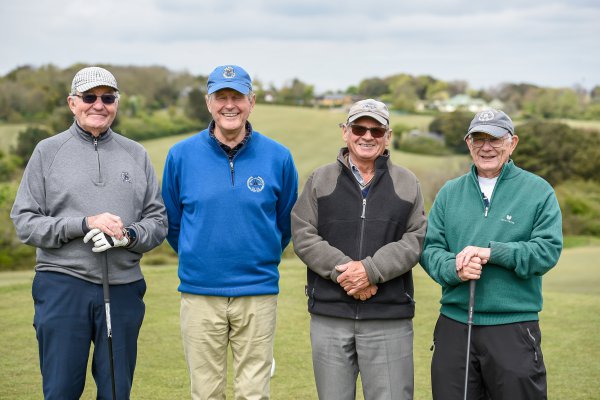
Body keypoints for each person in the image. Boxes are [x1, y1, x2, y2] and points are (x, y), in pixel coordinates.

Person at [11, 66, 168, 399]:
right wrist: (83, 224)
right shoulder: (47, 152)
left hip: (123, 289)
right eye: (89, 97)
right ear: (72, 103)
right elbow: (25, 221)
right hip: (62, 285)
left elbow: (158, 220)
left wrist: (127, 236)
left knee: (115, 390)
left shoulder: (136, 154)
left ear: (116, 104)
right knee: (61, 390)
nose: (99, 105)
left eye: (107, 98)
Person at [162, 64, 298, 400]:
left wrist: (257, 256)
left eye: (237, 96)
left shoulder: (279, 157)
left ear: (251, 101)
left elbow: (285, 223)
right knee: (206, 392)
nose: (229, 104)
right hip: (199, 292)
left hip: (258, 291)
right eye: (220, 97)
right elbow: (173, 222)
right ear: (208, 103)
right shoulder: (180, 155)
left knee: (254, 392)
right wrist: (201, 256)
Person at [420, 109, 563, 399]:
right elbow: (430, 249)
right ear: (468, 142)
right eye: (479, 138)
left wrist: (492, 253)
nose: (486, 147)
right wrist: (454, 269)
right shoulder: (449, 192)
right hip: (454, 326)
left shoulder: (538, 191)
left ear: (512, 143)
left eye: (495, 139)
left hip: (513, 328)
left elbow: (547, 251)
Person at [291, 99, 427, 400]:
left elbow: (415, 238)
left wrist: (370, 271)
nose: (367, 136)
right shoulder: (319, 180)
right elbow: (303, 233)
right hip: (330, 315)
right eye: (359, 128)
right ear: (345, 132)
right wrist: (346, 273)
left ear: (387, 136)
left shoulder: (407, 182)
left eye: (376, 130)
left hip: (389, 317)